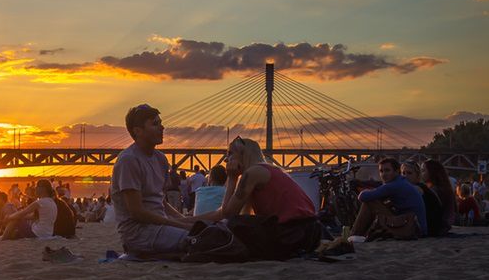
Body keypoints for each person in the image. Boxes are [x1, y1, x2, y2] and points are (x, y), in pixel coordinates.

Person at [191, 137, 321, 259]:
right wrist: (183, 220)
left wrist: (231, 178)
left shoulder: (253, 173)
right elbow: (220, 213)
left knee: (233, 224)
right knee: (230, 225)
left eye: (230, 153)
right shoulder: (266, 170)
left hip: (292, 234)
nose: (226, 160)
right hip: (308, 232)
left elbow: (228, 214)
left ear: (243, 154)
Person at [109, 104, 191, 257]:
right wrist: (180, 225)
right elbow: (137, 213)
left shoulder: (161, 159)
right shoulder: (128, 160)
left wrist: (185, 220)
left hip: (161, 226)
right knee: (199, 240)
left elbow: (162, 203)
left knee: (212, 230)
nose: (162, 127)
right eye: (155, 124)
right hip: (139, 233)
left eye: (160, 123)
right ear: (137, 131)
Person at [350, 157, 427, 239]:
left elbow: (362, 197)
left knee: (370, 202)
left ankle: (354, 235)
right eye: (381, 171)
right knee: (375, 202)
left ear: (397, 172)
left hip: (412, 229)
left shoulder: (394, 185)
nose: (383, 174)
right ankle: (357, 235)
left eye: (387, 170)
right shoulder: (401, 182)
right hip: (414, 226)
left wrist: (366, 191)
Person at [401, 161, 445, 236]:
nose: (405, 176)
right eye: (403, 173)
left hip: (431, 228)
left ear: (417, 175)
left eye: (409, 173)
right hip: (433, 227)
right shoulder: (421, 187)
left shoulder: (417, 188)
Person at [421, 159, 455, 236]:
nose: (421, 173)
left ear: (432, 172)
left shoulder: (435, 190)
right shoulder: (444, 188)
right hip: (444, 226)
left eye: (423, 170)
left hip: (437, 227)